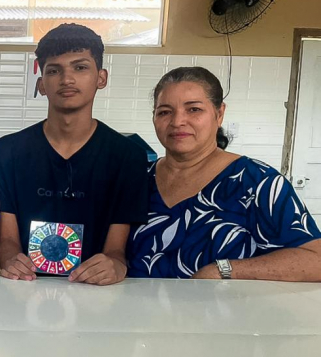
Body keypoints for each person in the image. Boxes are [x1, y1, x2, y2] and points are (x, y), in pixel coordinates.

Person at [127, 66, 321, 281]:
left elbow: (315, 259)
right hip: (136, 312)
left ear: (219, 114)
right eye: (164, 112)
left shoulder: (256, 182)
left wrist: (224, 270)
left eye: (194, 109)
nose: (177, 121)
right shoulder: (136, 179)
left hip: (223, 313)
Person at [0, 23, 148, 287]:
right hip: (23, 288)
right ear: (41, 84)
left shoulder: (128, 156)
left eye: (80, 67)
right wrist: (10, 261)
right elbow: (7, 239)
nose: (67, 79)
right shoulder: (8, 151)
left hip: (95, 293)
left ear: (102, 78)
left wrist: (114, 267)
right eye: (54, 70)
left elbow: (115, 250)